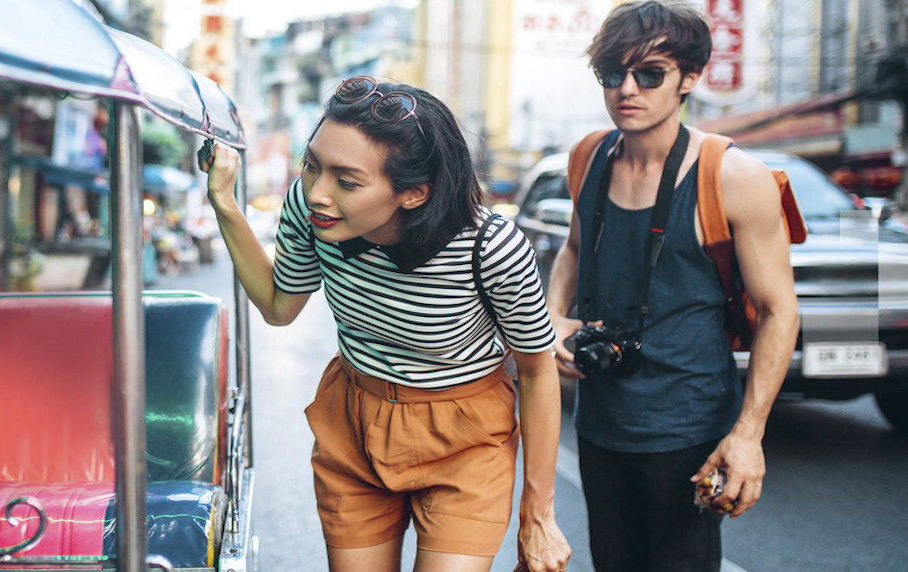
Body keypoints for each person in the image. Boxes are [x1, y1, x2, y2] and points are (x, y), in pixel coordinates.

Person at [200, 77, 571, 572]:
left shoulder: (490, 248)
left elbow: (537, 371)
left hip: (465, 439)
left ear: (414, 193)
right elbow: (278, 307)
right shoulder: (311, 213)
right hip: (353, 422)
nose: (317, 193)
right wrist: (225, 203)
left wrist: (538, 514)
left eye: (347, 181)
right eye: (312, 165)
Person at [545, 2, 799, 570]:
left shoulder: (734, 177)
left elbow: (779, 310)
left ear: (689, 77)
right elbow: (575, 249)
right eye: (612, 74)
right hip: (600, 420)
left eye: (649, 74)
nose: (626, 89)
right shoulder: (589, 156)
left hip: (689, 427)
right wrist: (554, 317)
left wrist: (749, 434)